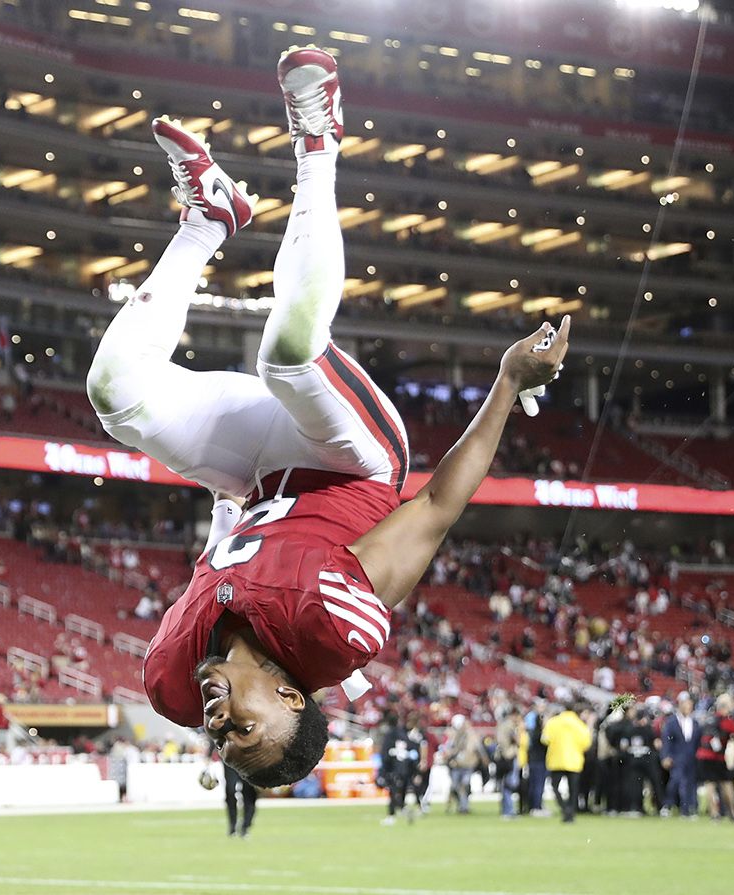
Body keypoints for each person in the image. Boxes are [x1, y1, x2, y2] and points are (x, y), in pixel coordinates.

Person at [107, 47, 573, 792]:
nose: (220, 726)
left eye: (221, 742)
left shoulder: (172, 677)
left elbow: (216, 566)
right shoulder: (329, 630)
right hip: (353, 462)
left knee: (118, 396)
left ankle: (208, 219)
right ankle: (318, 143)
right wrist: (508, 383)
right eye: (245, 731)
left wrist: (226, 505)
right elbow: (435, 507)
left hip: (259, 476)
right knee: (287, 355)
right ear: (292, 697)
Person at [542, 701, 592, 824]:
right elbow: (586, 743)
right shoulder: (579, 724)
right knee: (573, 790)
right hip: (574, 760)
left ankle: (564, 808)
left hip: (556, 759)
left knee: (555, 786)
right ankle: (571, 813)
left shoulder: (553, 722)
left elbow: (545, 739)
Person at [380, 715, 428, 826]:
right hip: (406, 770)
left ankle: (394, 814)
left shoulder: (390, 736)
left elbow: (385, 755)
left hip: (395, 770)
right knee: (402, 792)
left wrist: (384, 770)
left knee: (393, 793)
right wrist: (416, 770)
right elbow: (414, 753)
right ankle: (403, 809)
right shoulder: (405, 736)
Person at [660, 692, 700, 818]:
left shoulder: (695, 722)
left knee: (690, 783)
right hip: (676, 757)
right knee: (676, 781)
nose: (688, 707)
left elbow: (697, 742)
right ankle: (668, 805)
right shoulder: (671, 722)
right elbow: (666, 741)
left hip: (691, 758)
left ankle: (689, 808)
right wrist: (665, 756)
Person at [443, 714, 481, 815]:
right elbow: (449, 750)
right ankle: (461, 805)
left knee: (464, 784)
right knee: (456, 786)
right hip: (455, 765)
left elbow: (471, 749)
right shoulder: (453, 735)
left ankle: (464, 807)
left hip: (466, 765)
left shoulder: (470, 735)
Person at [225, 763, 259, 837]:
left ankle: (246, 826)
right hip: (231, 761)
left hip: (248, 762)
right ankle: (233, 825)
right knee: (230, 791)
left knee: (249, 793)